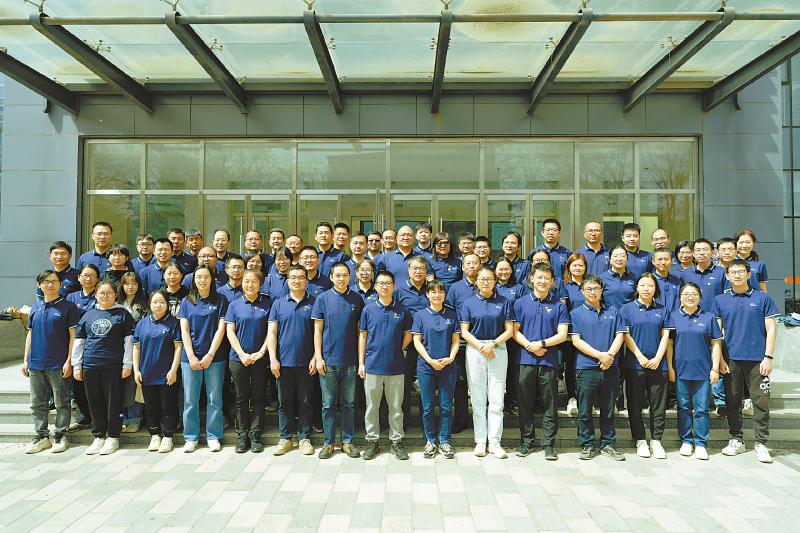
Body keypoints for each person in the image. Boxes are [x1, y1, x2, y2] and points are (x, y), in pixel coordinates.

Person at [715, 259, 779, 463]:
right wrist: (719, 359)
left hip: (758, 360)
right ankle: (737, 439)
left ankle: (761, 443)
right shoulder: (720, 300)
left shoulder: (763, 298)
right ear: (727, 276)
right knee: (732, 401)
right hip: (730, 359)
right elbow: (717, 333)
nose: (737, 275)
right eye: (733, 272)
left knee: (761, 402)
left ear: (749, 274)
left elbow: (771, 329)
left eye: (741, 271)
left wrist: (768, 357)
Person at [513, 264, 570, 460]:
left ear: (552, 281)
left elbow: (562, 334)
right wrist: (530, 346)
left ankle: (549, 444)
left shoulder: (559, 305)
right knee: (525, 402)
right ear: (532, 278)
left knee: (550, 403)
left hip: (549, 361)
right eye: (539, 277)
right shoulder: (520, 303)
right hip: (525, 360)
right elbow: (514, 331)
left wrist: (542, 343)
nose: (543, 281)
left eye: (547, 278)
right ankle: (526, 442)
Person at [72, 280, 135, 456]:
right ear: (96, 295)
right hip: (90, 364)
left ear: (115, 295)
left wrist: (127, 363)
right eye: (102, 293)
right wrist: (77, 365)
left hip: (113, 365)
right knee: (94, 401)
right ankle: (99, 436)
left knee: (113, 402)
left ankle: (113, 436)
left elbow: (129, 341)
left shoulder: (122, 314)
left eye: (109, 293)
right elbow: (79, 341)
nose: (105, 296)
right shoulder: (88, 315)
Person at [569, 275, 626, 461]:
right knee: (585, 410)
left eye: (596, 288)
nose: (593, 292)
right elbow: (576, 340)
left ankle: (608, 444)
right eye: (588, 289)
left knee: (608, 409)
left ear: (602, 291)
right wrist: (599, 355)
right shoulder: (576, 313)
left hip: (610, 367)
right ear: (582, 291)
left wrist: (609, 356)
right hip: (586, 368)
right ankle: (587, 444)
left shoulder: (614, 311)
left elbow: (620, 335)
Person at [460, 266, 515, 458]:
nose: (485, 282)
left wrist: (493, 344)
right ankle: (481, 441)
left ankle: (495, 442)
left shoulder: (504, 302)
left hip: (498, 349)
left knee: (497, 398)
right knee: (477, 398)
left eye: (489, 279)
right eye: (482, 279)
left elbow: (510, 330)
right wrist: (481, 346)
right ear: (476, 281)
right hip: (475, 350)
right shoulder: (469, 303)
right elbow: (464, 331)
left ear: (495, 281)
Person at [23, 270, 80, 454]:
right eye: (46, 281)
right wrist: (25, 360)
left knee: (61, 401)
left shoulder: (68, 307)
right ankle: (42, 436)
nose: (50, 284)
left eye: (54, 281)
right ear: (39, 285)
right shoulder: (35, 307)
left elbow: (73, 336)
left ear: (60, 284)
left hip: (59, 363)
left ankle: (60, 435)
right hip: (36, 363)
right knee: (37, 402)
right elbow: (30, 334)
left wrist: (69, 360)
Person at [312, 262, 365, 459]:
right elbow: (318, 330)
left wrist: (360, 361)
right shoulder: (323, 298)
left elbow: (361, 332)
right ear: (331, 277)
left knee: (349, 403)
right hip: (328, 360)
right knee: (328, 404)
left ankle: (347, 442)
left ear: (350, 277)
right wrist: (318, 357)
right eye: (338, 275)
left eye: (345, 275)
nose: (341, 279)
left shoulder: (357, 299)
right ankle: (328, 443)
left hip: (350, 360)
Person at [359, 271, 413, 461]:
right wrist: (361, 363)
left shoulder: (403, 310)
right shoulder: (368, 309)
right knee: (371, 407)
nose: (384, 286)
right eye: (381, 283)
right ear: (375, 287)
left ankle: (396, 441)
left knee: (396, 407)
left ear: (394, 286)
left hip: (396, 366)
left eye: (388, 283)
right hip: (372, 365)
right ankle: (372, 441)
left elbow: (409, 334)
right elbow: (363, 336)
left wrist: (398, 348)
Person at [668, 282, 722, 460]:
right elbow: (669, 345)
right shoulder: (673, 317)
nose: (690, 297)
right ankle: (686, 440)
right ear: (680, 297)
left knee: (701, 409)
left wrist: (715, 368)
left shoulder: (709, 317)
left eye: (694, 294)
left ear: (700, 297)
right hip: (680, 370)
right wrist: (670, 367)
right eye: (686, 294)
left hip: (703, 371)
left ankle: (700, 443)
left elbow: (716, 344)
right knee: (683, 407)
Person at [620, 273, 672, 459]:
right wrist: (640, 356)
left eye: (650, 285)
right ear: (637, 288)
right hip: (635, 365)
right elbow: (625, 336)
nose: (646, 289)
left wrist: (658, 358)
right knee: (634, 404)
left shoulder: (663, 310)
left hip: (659, 365)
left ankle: (656, 440)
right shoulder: (626, 309)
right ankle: (640, 439)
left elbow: (666, 336)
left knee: (658, 405)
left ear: (655, 288)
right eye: (642, 285)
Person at [267, 265, 317, 456]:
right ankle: (285, 438)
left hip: (306, 362)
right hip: (283, 361)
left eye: (300, 277)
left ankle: (304, 438)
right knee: (284, 402)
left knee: (306, 401)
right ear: (287, 281)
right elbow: (272, 333)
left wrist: (316, 356)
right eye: (293, 277)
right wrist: (273, 358)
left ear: (306, 280)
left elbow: (319, 332)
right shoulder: (278, 303)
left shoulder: (315, 302)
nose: (296, 281)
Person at [178, 265, 228, 453]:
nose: (202, 280)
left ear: (212, 279)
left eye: (206, 277)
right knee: (190, 399)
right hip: (189, 358)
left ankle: (213, 435)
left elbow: (221, 329)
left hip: (215, 357)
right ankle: (191, 437)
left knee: (214, 398)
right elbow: (184, 330)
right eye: (198, 277)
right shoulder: (186, 301)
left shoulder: (221, 300)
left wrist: (210, 354)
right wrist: (191, 355)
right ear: (193, 280)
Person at [412, 280, 460, 459]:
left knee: (446, 406)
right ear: (427, 294)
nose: (437, 295)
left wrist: (451, 358)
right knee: (428, 407)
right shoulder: (420, 315)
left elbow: (456, 340)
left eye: (440, 292)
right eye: (433, 292)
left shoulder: (452, 314)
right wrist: (430, 361)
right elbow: (417, 341)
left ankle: (445, 441)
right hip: (426, 367)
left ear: (445, 295)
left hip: (448, 366)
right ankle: (430, 441)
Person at [226, 269, 271, 454]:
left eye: (254, 281)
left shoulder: (268, 303)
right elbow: (230, 331)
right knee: (241, 397)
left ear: (260, 284)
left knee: (258, 397)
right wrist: (242, 354)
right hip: (238, 359)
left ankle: (255, 435)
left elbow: (271, 331)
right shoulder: (234, 305)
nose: (250, 285)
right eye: (246, 281)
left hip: (261, 358)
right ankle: (242, 435)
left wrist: (261, 352)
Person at [132, 290, 182, 453]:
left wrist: (173, 370)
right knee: (151, 406)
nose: (158, 305)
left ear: (167, 305)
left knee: (168, 405)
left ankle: (168, 436)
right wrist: (136, 370)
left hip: (167, 374)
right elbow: (136, 348)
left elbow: (178, 347)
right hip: (147, 373)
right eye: (155, 302)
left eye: (162, 302)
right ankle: (154, 435)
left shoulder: (173, 323)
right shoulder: (142, 324)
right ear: (149, 304)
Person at [444, 253, 480, 434]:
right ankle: (461, 419)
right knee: (460, 382)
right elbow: (449, 312)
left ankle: (481, 420)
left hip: (481, 342)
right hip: (461, 342)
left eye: (475, 263)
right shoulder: (455, 288)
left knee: (480, 382)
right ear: (463, 267)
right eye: (468, 263)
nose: (472, 266)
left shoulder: (487, 285)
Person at [395, 256, 430, 426]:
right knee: (404, 382)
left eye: (421, 268)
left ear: (426, 271)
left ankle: (426, 423)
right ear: (409, 270)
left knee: (425, 384)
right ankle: (404, 421)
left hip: (428, 343)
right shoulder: (399, 290)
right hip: (406, 343)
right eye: (414, 268)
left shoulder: (431, 289)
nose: (418, 271)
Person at [66, 264, 100, 432]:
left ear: (97, 279)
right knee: (78, 383)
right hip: (75, 343)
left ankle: (98, 418)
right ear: (79, 278)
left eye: (92, 275)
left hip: (96, 344)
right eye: (85, 275)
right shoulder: (71, 297)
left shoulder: (101, 294)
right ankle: (83, 418)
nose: (88, 278)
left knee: (95, 384)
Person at [117, 271, 147, 433]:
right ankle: (123, 418)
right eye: (127, 283)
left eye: (134, 283)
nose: (130, 287)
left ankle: (135, 418)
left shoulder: (144, 304)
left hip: (138, 348)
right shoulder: (116, 303)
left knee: (135, 384)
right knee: (120, 384)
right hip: (118, 349)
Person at [559, 253, 588, 416]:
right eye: (574, 265)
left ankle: (586, 398)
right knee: (570, 366)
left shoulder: (590, 284)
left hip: (588, 333)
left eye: (580, 265)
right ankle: (572, 397)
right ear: (569, 267)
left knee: (586, 366)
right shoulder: (564, 285)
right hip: (569, 334)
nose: (577, 268)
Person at [495, 258, 524, 416]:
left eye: (507, 269)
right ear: (495, 271)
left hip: (513, 335)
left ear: (512, 270)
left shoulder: (518, 288)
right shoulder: (491, 287)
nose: (504, 272)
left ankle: (510, 402)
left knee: (512, 370)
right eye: (500, 269)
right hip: (495, 334)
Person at [680, 238, 726, 312]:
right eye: (698, 250)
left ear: (712, 252)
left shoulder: (722, 272)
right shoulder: (685, 274)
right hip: (691, 315)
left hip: (715, 315)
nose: (701, 253)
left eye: (705, 250)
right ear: (693, 253)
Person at [530, 218, 571, 283]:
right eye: (548, 230)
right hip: (540, 285)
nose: (551, 233)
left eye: (554, 230)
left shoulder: (567, 253)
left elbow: (569, 274)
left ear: (559, 233)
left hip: (560, 287)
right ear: (542, 232)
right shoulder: (535, 252)